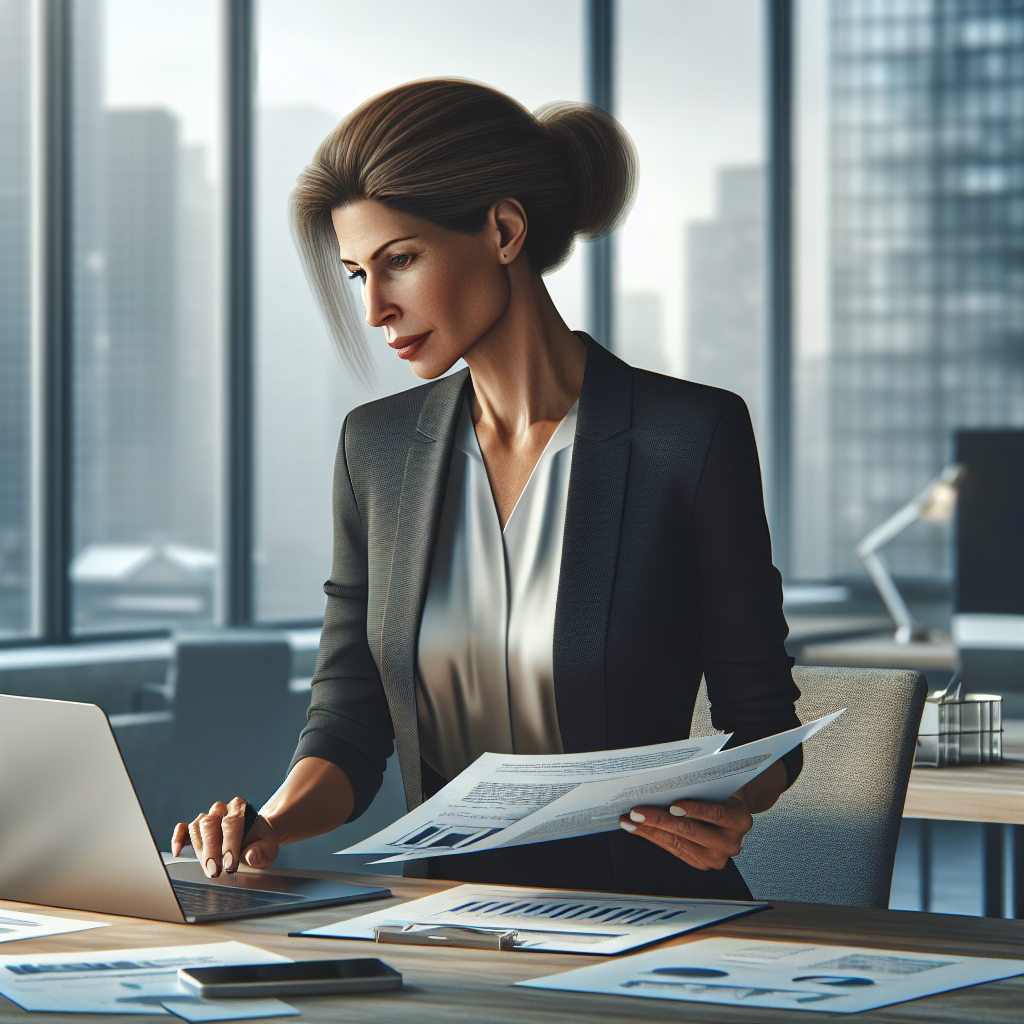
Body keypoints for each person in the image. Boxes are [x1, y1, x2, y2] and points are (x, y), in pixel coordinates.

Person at [172, 79, 801, 898]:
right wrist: (272, 822)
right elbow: (351, 721)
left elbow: (766, 728)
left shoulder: (689, 437)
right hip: (442, 919)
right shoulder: (378, 447)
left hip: (643, 913)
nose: (374, 310)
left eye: (400, 261)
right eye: (358, 272)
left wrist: (731, 807)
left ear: (504, 230)